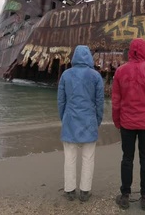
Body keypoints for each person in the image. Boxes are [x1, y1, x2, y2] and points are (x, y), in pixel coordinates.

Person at [112, 38, 145, 211]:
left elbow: (116, 100)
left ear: (130, 51)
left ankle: (125, 195)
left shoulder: (120, 71)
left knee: (127, 158)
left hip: (127, 122)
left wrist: (117, 120)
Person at [57, 45, 104, 202]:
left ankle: (70, 190)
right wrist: (97, 120)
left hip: (70, 119)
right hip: (89, 119)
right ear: (89, 57)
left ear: (74, 57)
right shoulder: (95, 76)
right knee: (88, 157)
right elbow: (99, 102)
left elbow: (61, 100)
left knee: (69, 157)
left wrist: (63, 117)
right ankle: (85, 191)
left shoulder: (66, 75)